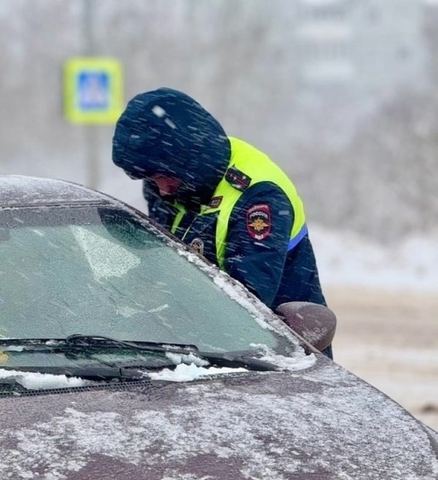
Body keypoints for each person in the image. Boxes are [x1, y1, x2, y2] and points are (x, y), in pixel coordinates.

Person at [111, 87, 332, 354]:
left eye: (163, 178)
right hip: (197, 350)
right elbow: (164, 261)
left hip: (274, 361)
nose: (162, 190)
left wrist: (159, 312)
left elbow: (243, 307)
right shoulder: (173, 180)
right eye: (151, 180)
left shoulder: (259, 198)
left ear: (189, 162)